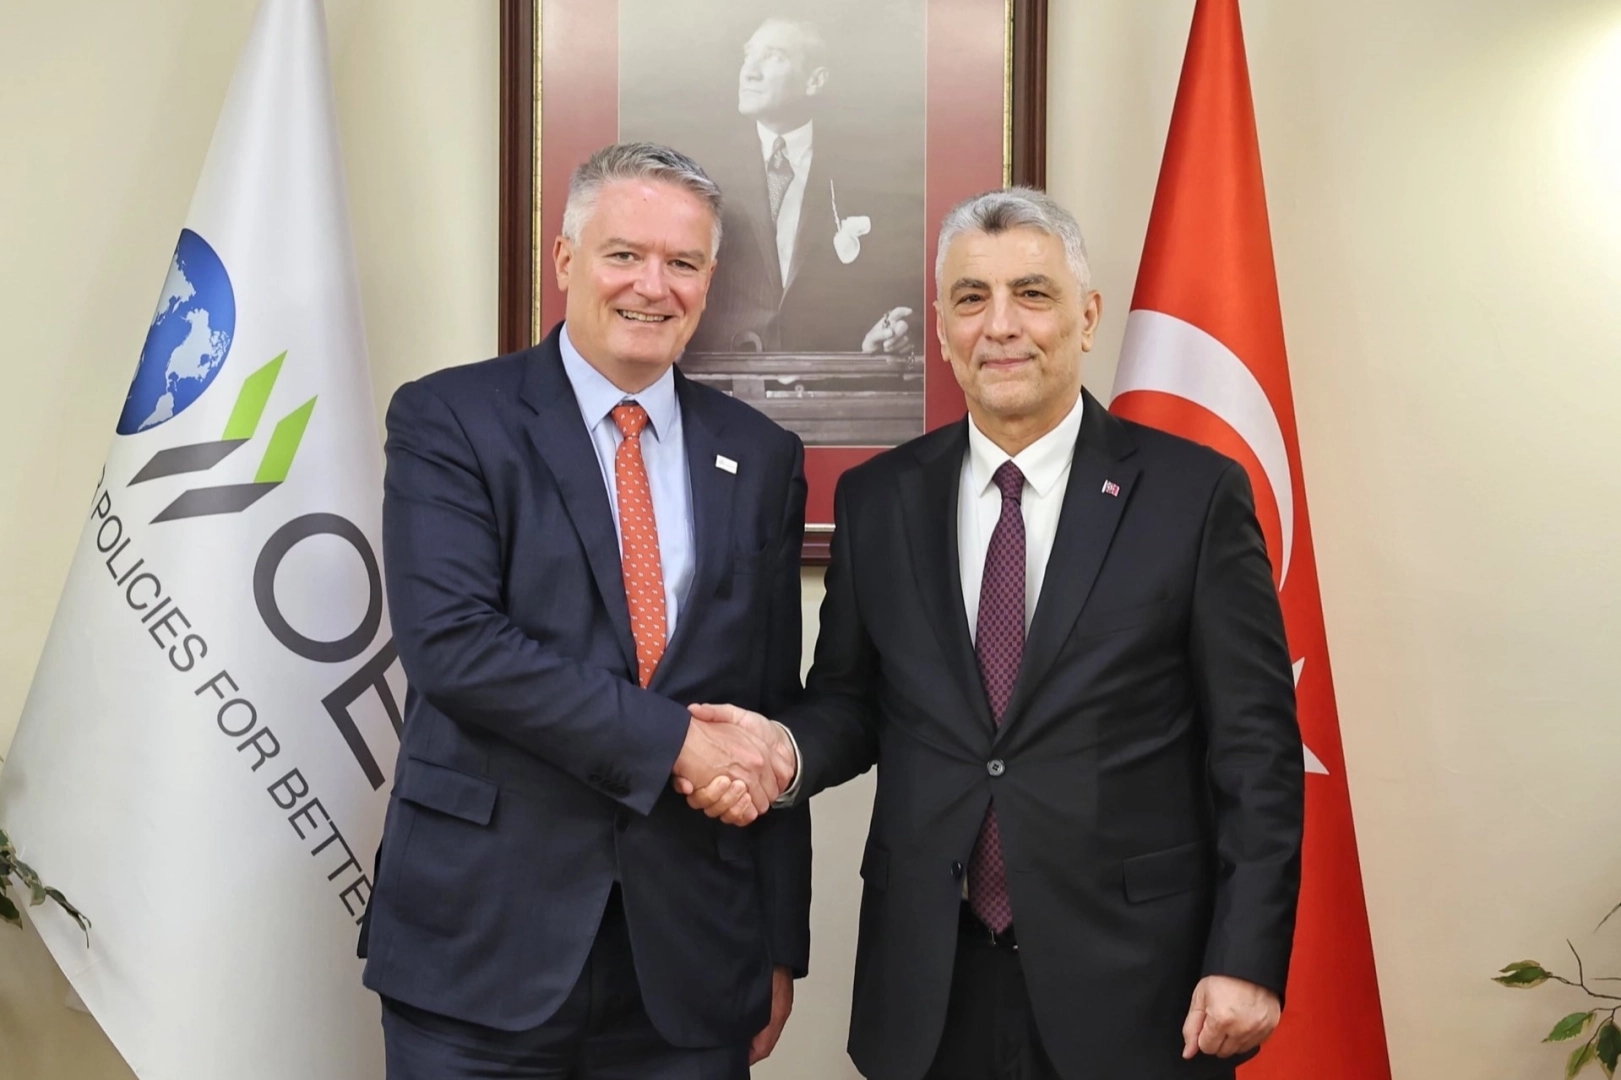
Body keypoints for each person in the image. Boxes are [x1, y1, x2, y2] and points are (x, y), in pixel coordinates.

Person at [682, 188, 1304, 1079]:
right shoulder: (879, 498)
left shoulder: (1193, 495)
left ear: (1087, 317)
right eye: (971, 298)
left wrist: (1246, 956)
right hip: (932, 985)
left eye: (1032, 294)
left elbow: (1256, 750)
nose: (1000, 325)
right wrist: (781, 751)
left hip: (1138, 984)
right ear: (941, 329)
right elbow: (852, 701)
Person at [360, 142, 809, 1080]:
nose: (653, 285)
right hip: (481, 949)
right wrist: (676, 744)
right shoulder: (451, 419)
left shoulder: (761, 455)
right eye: (624, 254)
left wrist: (777, 941)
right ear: (566, 260)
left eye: (682, 262)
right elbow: (456, 648)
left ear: (709, 280)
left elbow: (764, 707)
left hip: (690, 963)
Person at [686, 15, 922, 356]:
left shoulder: (866, 175)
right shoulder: (702, 170)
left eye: (773, 57)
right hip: (723, 375)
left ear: (815, 80)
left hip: (830, 373)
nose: (749, 71)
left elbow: (889, 287)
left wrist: (876, 336)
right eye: (748, 55)